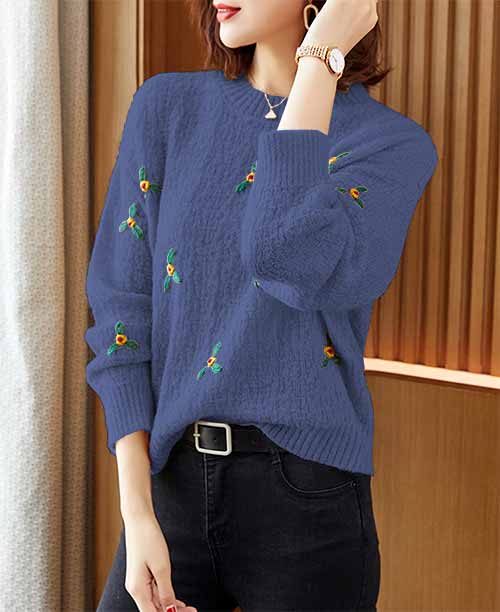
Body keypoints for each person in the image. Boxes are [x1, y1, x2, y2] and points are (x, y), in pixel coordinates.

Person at [85, 0, 438, 610]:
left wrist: (319, 61)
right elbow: (122, 315)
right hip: (168, 489)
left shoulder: (391, 145)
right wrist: (137, 514)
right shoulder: (166, 107)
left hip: (308, 506)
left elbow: (283, 254)